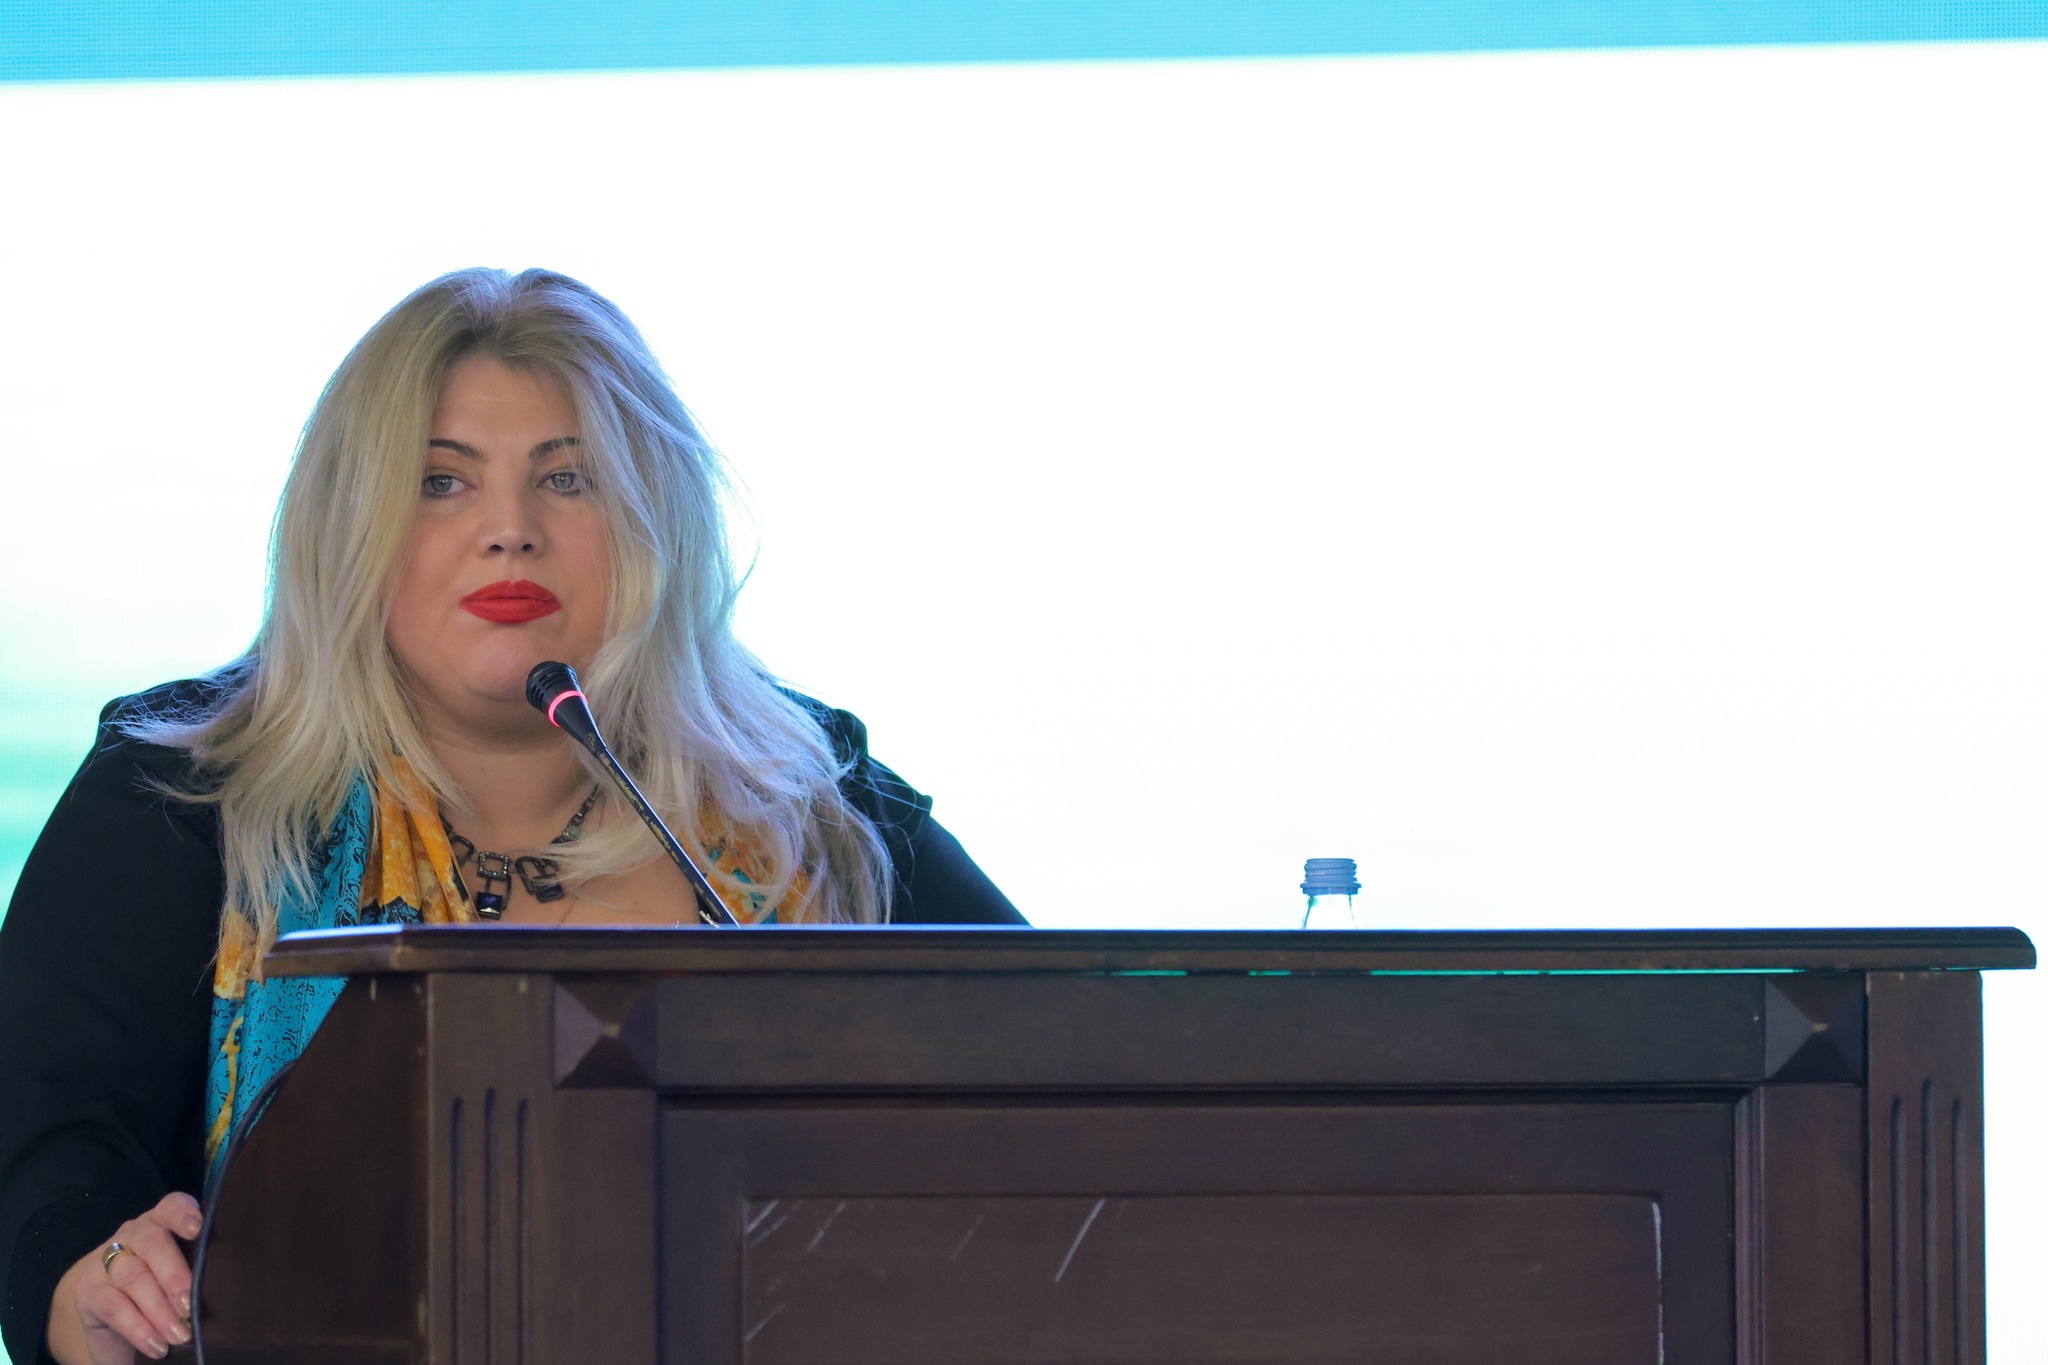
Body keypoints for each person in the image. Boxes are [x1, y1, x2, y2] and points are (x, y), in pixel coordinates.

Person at [0, 268, 1025, 1365]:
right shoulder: (184, 792)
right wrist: (84, 1291)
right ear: (349, 527)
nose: (510, 531)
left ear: (656, 523)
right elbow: (45, 1160)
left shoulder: (811, 799)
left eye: (567, 479)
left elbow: (1077, 1069)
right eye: (441, 482)